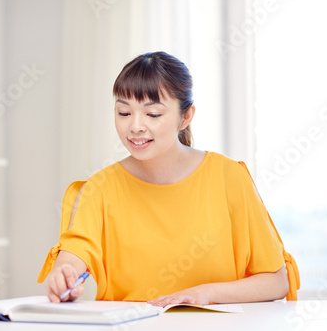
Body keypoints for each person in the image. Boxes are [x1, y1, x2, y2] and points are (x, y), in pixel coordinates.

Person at [37, 51, 300, 306]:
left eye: (153, 114)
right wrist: (63, 278)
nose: (136, 126)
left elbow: (277, 280)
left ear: (185, 117)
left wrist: (204, 293)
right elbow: (72, 258)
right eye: (124, 113)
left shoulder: (229, 178)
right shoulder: (99, 190)